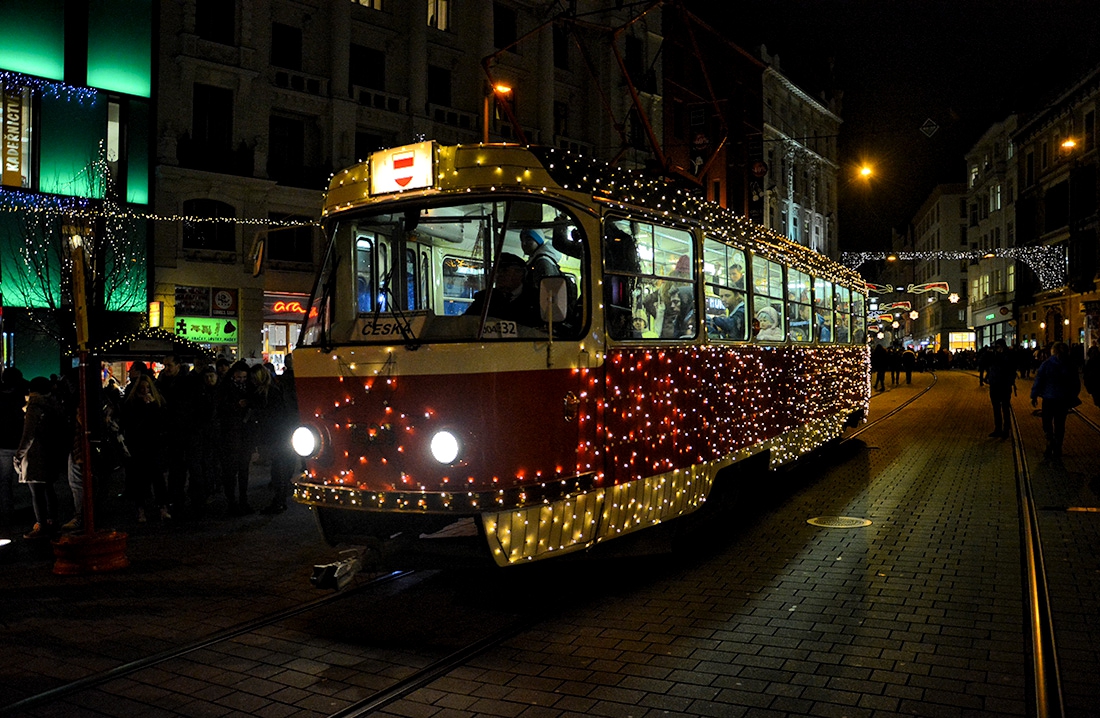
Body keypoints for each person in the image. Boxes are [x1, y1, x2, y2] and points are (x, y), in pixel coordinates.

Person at [15, 377, 65, 539]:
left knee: (36, 492)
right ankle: (53, 521)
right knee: (49, 489)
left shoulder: (34, 407)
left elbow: (28, 435)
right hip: (51, 451)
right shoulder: (53, 404)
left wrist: (19, 455)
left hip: (36, 454)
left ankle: (41, 525)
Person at [121, 374, 170, 522]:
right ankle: (141, 509)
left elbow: (161, 422)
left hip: (154, 444)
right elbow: (130, 423)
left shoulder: (157, 401)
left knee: (158, 478)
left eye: (147, 387)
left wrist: (152, 406)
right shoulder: (132, 403)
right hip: (139, 445)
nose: (145, 390)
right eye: (142, 387)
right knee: (141, 479)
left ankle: (162, 507)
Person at [1030, 341, 1081, 459]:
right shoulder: (1070, 365)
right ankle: (1058, 446)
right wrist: (1072, 396)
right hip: (1063, 399)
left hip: (1049, 398)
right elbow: (1075, 384)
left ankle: (1049, 440)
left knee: (1047, 421)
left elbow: (1039, 380)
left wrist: (1034, 395)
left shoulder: (1047, 364)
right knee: (1060, 423)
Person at [217, 361, 254, 515]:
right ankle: (232, 501)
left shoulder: (249, 388)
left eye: (244, 377)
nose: (241, 380)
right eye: (238, 377)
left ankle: (243, 501)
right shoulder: (225, 388)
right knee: (231, 471)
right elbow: (220, 408)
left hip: (243, 434)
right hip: (230, 434)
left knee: (243, 469)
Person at [464, 252, 538, 325]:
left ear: (520, 273)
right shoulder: (485, 298)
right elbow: (466, 322)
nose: (498, 275)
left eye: (504, 271)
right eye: (496, 271)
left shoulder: (536, 298)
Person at [0, 366, 29, 530]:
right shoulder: (19, 397)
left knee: (4, 482)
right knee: (32, 480)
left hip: (3, 443)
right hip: (18, 442)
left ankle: (7, 514)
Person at [985, 339, 1017, 438]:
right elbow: (985, 363)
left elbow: (1011, 369)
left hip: (1004, 385)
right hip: (995, 384)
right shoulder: (994, 356)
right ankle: (998, 428)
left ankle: (1006, 430)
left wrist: (1010, 382)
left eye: (997, 347)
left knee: (1005, 408)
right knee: (996, 408)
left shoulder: (1009, 356)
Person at [520, 228, 562, 294]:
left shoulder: (542, 262)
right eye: (522, 240)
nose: (524, 243)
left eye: (529, 239)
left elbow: (548, 293)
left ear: (538, 241)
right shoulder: (536, 260)